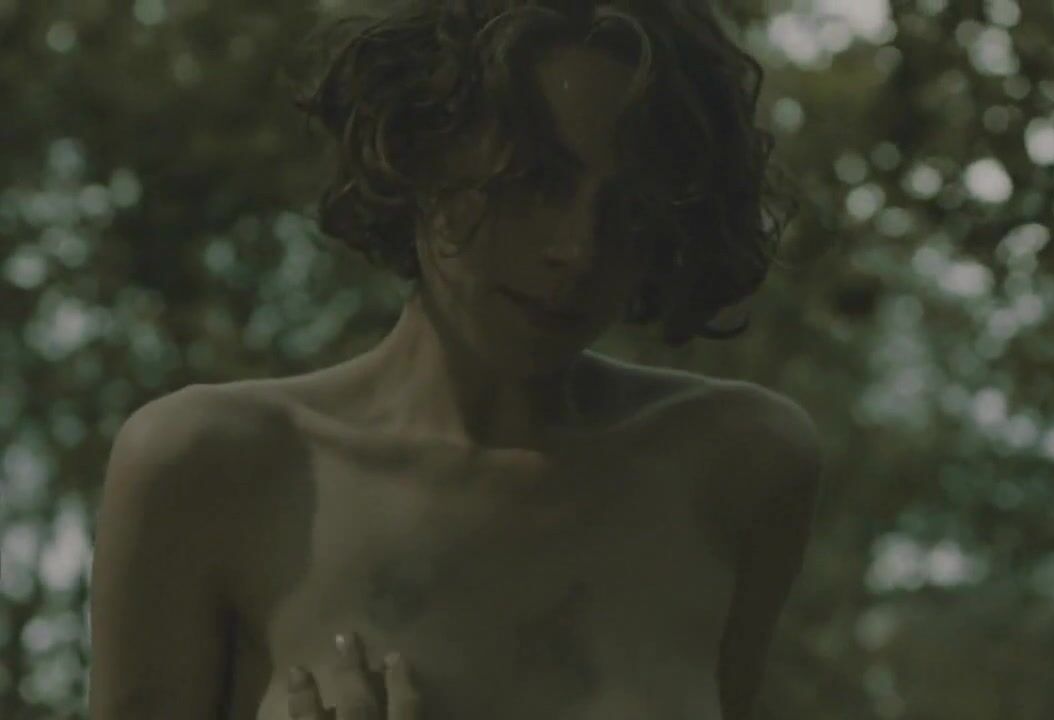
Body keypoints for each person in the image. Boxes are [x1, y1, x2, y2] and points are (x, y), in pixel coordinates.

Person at [87, 1, 822, 718]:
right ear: (421, 150)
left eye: (632, 207)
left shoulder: (738, 463)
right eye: (535, 181)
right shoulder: (215, 466)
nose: (578, 249)